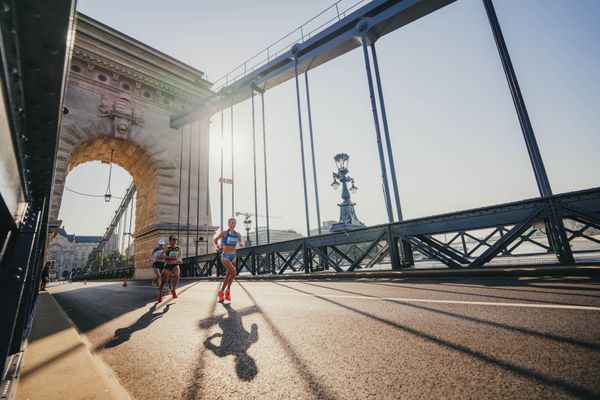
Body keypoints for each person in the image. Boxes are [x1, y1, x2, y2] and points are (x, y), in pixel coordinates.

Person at [213, 217, 244, 302]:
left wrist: (241, 243)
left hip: (233, 256)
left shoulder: (238, 234)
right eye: (232, 222)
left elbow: (240, 241)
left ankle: (222, 291)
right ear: (228, 224)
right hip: (225, 256)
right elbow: (215, 240)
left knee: (229, 274)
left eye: (234, 223)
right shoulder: (224, 233)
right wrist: (218, 247)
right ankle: (227, 291)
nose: (233, 224)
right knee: (234, 272)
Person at [156, 235, 183, 302]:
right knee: (163, 282)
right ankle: (159, 294)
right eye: (173, 239)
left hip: (175, 264)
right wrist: (168, 257)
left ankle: (173, 290)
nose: (175, 241)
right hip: (168, 265)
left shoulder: (178, 248)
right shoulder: (167, 248)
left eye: (176, 239)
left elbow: (180, 255)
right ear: (170, 241)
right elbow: (161, 256)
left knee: (177, 275)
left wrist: (179, 259)